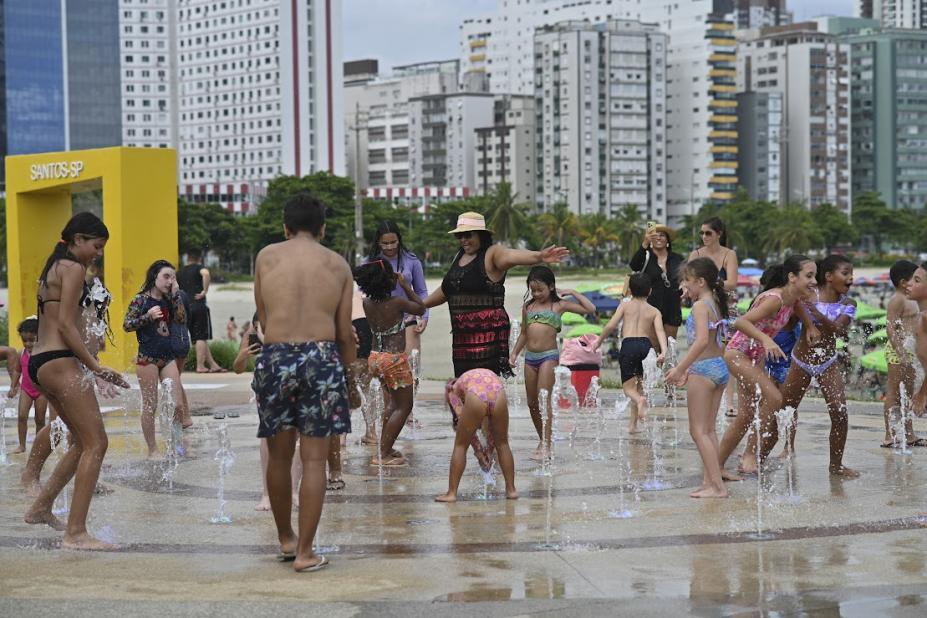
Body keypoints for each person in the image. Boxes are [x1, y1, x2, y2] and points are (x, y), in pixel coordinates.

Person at [251, 193, 358, 573]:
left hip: (276, 356)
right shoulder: (338, 265)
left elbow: (263, 320)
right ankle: (306, 552)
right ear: (323, 229)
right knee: (314, 460)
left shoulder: (266, 257)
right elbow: (345, 333)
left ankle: (285, 539)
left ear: (285, 226)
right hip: (321, 358)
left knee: (279, 456)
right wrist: (351, 379)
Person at [23, 212, 130, 551]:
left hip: (41, 363)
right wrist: (97, 368)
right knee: (97, 443)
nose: (98, 253)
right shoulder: (73, 269)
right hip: (59, 361)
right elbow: (68, 326)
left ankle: (41, 506)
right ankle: (76, 533)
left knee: (79, 443)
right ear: (78, 240)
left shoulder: (53, 267)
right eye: (96, 246)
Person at [424, 211, 569, 377]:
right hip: (462, 338)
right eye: (459, 236)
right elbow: (446, 290)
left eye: (468, 235)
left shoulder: (492, 254)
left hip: (488, 335)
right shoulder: (459, 256)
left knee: (484, 386)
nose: (463, 240)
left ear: (481, 235)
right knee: (464, 385)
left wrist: (539, 256)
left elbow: (512, 256)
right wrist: (421, 305)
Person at [718, 255, 818, 476]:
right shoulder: (775, 299)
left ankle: (717, 466)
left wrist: (810, 327)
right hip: (738, 354)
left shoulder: (793, 299)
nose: (814, 281)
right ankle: (750, 454)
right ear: (792, 277)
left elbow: (799, 308)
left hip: (754, 359)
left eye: (815, 276)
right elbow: (740, 321)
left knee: (746, 415)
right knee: (774, 397)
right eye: (809, 276)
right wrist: (766, 339)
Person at [775, 255, 860, 477]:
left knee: (840, 411)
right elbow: (789, 319)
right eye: (846, 273)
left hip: (828, 363)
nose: (851, 278)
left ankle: (836, 465)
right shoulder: (809, 295)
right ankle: (778, 449)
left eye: (852, 274)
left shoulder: (848, 303)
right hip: (801, 361)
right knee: (785, 408)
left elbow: (839, 331)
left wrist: (812, 311)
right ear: (829, 276)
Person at [509, 265, 595, 459]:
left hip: (549, 356)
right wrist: (514, 353)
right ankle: (543, 439)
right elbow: (523, 333)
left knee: (543, 400)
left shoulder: (559, 305)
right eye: (533, 290)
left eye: (541, 290)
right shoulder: (528, 307)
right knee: (531, 403)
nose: (537, 294)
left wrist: (573, 292)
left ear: (551, 287)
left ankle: (547, 444)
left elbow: (590, 309)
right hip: (530, 358)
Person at [666, 258, 730, 498]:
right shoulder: (714, 303)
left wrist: (681, 368)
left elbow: (701, 340)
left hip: (703, 369)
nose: (684, 285)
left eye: (687, 281)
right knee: (709, 430)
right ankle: (710, 480)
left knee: (698, 431)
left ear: (700, 281)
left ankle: (717, 486)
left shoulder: (700, 306)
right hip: (719, 367)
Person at [354, 260, 425, 467]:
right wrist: (405, 286)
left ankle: (385, 446)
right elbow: (420, 308)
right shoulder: (396, 302)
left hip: (375, 357)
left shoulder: (366, 303)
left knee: (393, 405)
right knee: (405, 405)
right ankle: (383, 455)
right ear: (388, 281)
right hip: (393, 360)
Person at [232, 313, 302, 511]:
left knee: (298, 435)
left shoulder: (290, 323)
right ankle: (267, 494)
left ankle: (293, 490)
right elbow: (237, 369)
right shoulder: (253, 331)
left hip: (293, 380)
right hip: (266, 384)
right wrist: (242, 356)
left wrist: (268, 340)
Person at [123, 260, 189, 458]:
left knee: (178, 405)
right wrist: (148, 317)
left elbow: (181, 319)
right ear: (154, 277)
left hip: (167, 357)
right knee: (150, 406)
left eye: (173, 277)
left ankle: (176, 444)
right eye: (166, 277)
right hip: (147, 358)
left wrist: (176, 294)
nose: (170, 281)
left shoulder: (170, 299)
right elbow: (127, 325)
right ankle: (153, 450)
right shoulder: (140, 300)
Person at [595, 273, 668, 434]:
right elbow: (660, 331)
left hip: (629, 345)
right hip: (645, 346)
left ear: (630, 290)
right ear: (650, 291)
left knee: (629, 389)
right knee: (640, 387)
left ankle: (639, 402)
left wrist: (598, 342)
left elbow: (611, 326)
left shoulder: (625, 305)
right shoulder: (654, 311)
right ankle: (633, 426)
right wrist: (663, 351)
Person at [435, 369, 518, 503]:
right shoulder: (471, 377)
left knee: (460, 445)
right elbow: (493, 430)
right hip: (498, 392)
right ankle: (511, 490)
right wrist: (489, 451)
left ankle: (451, 493)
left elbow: (464, 426)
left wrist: (479, 452)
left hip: (477, 395)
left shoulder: (452, 389)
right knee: (503, 443)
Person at [688, 217, 739, 417]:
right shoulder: (696, 254)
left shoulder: (729, 254)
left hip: (725, 307)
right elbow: (689, 279)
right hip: (703, 305)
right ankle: (703, 388)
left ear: (719, 234)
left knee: (725, 351)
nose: (704, 237)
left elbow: (733, 282)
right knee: (701, 346)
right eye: (701, 233)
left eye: (708, 233)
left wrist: (710, 285)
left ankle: (728, 400)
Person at [368, 220, 429, 356]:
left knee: (410, 366)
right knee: (384, 368)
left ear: (399, 240)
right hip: (379, 322)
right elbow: (362, 293)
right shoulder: (370, 262)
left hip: (408, 318)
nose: (389, 247)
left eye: (393, 242)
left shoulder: (411, 260)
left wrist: (424, 317)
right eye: (385, 243)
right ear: (378, 242)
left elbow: (421, 291)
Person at [882, 260, 924, 447]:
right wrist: (901, 352)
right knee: (894, 394)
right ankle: (890, 434)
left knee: (907, 393)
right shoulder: (898, 299)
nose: (916, 283)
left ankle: (909, 433)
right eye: (913, 279)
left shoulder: (913, 300)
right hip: (898, 351)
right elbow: (890, 326)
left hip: (911, 350)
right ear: (902, 282)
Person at [629, 223, 684, 339]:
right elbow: (634, 266)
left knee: (670, 348)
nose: (658, 238)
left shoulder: (678, 258)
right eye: (655, 236)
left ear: (667, 240)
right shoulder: (646, 257)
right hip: (651, 306)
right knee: (653, 348)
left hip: (673, 307)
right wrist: (645, 243)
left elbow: (686, 277)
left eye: (662, 235)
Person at [178, 248, 226, 374]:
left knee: (199, 337)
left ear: (187, 258)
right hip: (198, 305)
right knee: (201, 336)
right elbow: (206, 274)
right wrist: (205, 291)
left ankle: (213, 365)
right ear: (199, 259)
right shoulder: (199, 267)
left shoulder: (180, 272)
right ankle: (200, 366)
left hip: (184, 307)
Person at [13, 318, 46, 454]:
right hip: (26, 389)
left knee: (40, 418)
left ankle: (39, 445)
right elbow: (17, 369)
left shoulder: (44, 353)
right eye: (24, 340)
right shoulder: (21, 353)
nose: (28, 343)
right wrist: (13, 386)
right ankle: (22, 445)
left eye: (32, 340)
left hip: (42, 391)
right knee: (21, 416)